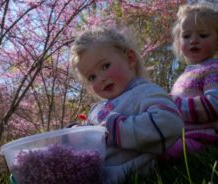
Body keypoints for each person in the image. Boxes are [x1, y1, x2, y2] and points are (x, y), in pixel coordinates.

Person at [69, 26, 184, 183]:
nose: (100, 78)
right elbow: (93, 139)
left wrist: (117, 129)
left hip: (123, 176)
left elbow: (170, 123)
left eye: (105, 66)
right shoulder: (98, 109)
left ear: (130, 59)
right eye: (91, 77)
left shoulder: (145, 92)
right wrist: (78, 134)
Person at [162, 1, 218, 160]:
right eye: (186, 36)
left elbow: (214, 104)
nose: (193, 40)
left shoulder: (214, 68)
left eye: (203, 35)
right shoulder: (188, 72)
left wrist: (173, 105)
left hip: (203, 137)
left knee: (159, 153)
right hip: (181, 134)